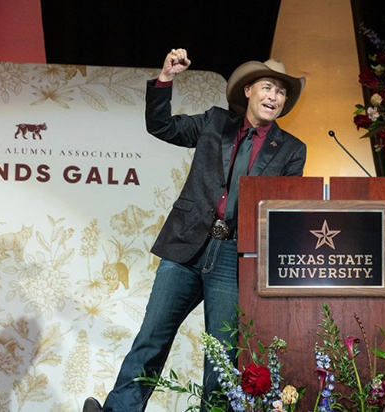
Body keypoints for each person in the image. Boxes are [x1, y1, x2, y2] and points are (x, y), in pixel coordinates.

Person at [83, 49, 307, 412]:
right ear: (248, 90)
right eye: (267, 88)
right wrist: (165, 79)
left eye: (281, 93)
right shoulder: (215, 122)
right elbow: (161, 126)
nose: (273, 97)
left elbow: (284, 212)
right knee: (151, 339)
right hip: (186, 246)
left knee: (220, 356)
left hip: (235, 257)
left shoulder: (293, 150)